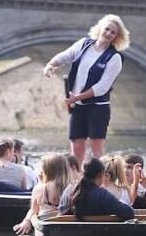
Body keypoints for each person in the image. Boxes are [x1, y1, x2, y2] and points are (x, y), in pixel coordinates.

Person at [43, 14, 130, 165]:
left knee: (97, 150)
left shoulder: (114, 58)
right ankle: (77, 183)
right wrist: (50, 65)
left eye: (113, 32)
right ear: (100, 29)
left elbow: (102, 88)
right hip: (78, 107)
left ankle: (101, 182)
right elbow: (65, 56)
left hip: (98, 108)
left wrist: (76, 97)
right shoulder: (84, 44)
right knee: (76, 149)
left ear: (117, 37)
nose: (108, 33)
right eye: (107, 29)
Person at [13, 153, 72, 236]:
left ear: (47, 170)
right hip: (67, 228)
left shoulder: (39, 189)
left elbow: (34, 211)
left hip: (46, 228)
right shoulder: (72, 188)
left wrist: (26, 220)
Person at [70, 157, 135, 221]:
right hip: (102, 231)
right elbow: (129, 213)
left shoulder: (74, 193)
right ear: (100, 174)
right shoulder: (102, 195)